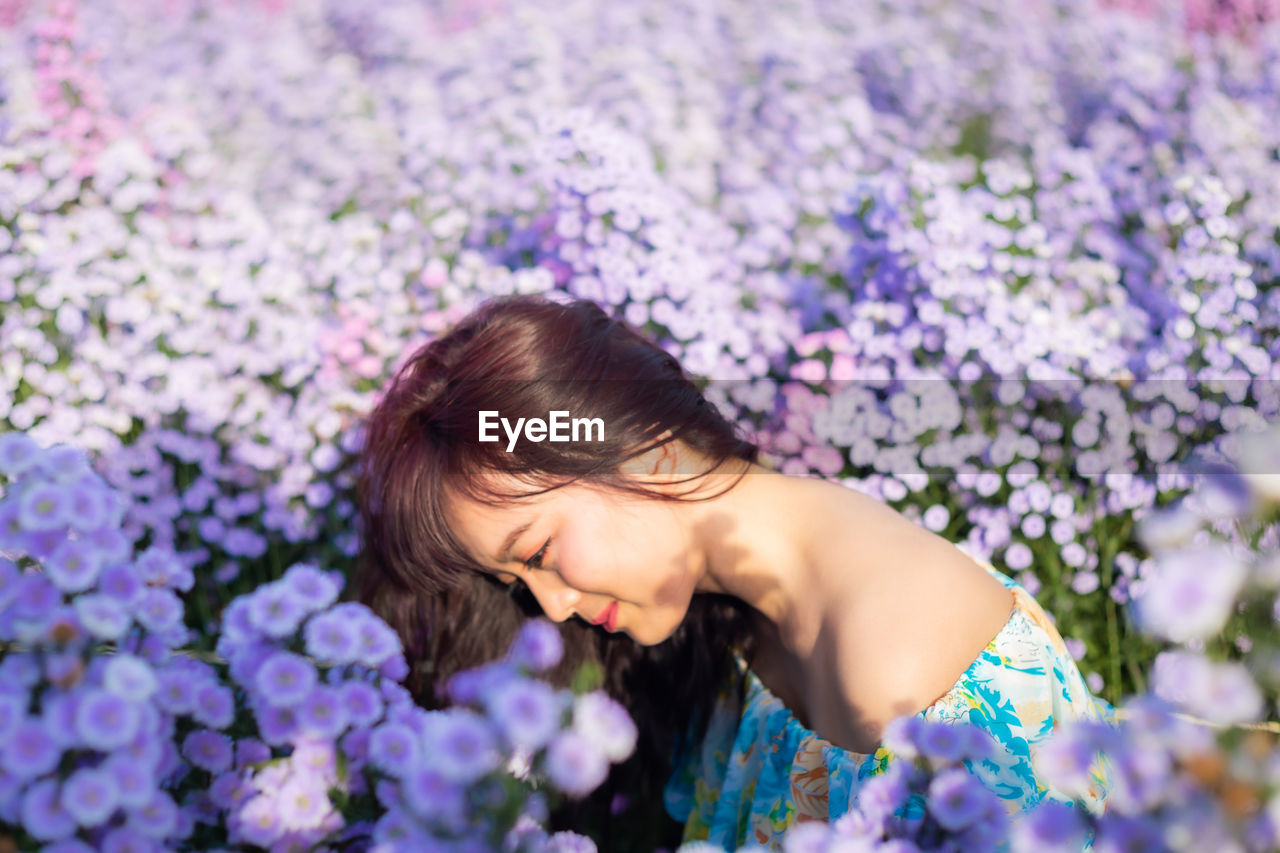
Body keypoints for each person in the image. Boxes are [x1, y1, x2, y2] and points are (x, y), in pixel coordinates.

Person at [354, 293, 1114, 851]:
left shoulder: (896, 669)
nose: (550, 608)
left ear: (649, 448)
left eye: (541, 553)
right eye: (521, 582)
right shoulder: (742, 624)